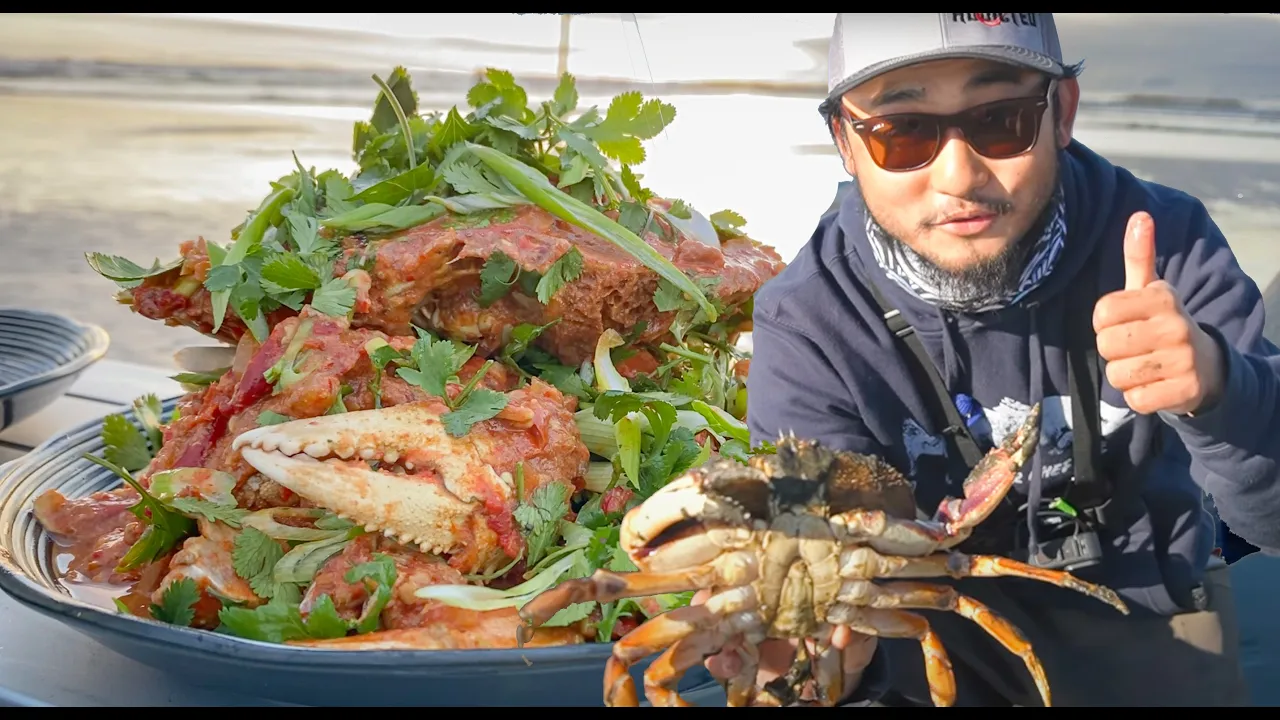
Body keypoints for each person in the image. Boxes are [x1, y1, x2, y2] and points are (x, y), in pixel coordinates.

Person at [695, 12, 1279, 707]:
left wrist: (1216, 389)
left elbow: (1271, 523)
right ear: (845, 143)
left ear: (1061, 112)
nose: (959, 175)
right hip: (922, 640)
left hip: (1151, 617)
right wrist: (817, 666)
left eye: (1001, 120)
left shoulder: (1165, 248)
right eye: (902, 133)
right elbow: (822, 593)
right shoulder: (810, 321)